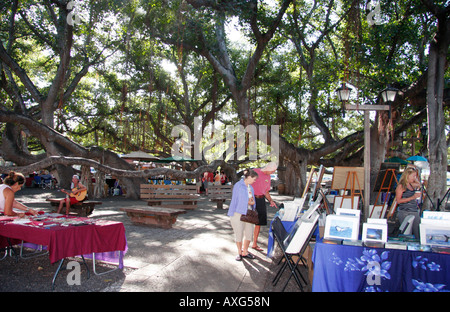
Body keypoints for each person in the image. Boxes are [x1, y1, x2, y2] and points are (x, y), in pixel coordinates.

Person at [228, 169, 259, 261]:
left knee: (249, 233)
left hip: (249, 214)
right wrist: (248, 202)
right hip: (238, 213)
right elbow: (236, 200)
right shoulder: (238, 185)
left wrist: (252, 202)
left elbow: (252, 199)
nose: (255, 181)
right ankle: (239, 252)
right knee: (239, 234)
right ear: (249, 177)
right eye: (254, 179)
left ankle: (245, 251)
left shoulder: (251, 187)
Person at [251, 162, 278, 252]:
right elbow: (245, 185)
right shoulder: (255, 172)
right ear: (268, 168)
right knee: (247, 221)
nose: (273, 173)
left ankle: (254, 243)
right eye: (272, 171)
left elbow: (266, 191)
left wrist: (271, 200)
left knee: (259, 222)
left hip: (261, 200)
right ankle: (244, 247)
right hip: (251, 200)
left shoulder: (268, 177)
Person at [395, 166, 422, 238]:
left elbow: (419, 184)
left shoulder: (411, 185)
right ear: (407, 176)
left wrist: (415, 178)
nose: (414, 178)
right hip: (405, 211)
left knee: (417, 231)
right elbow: (399, 200)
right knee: (406, 232)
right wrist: (412, 197)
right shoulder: (401, 186)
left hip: (414, 210)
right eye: (413, 176)